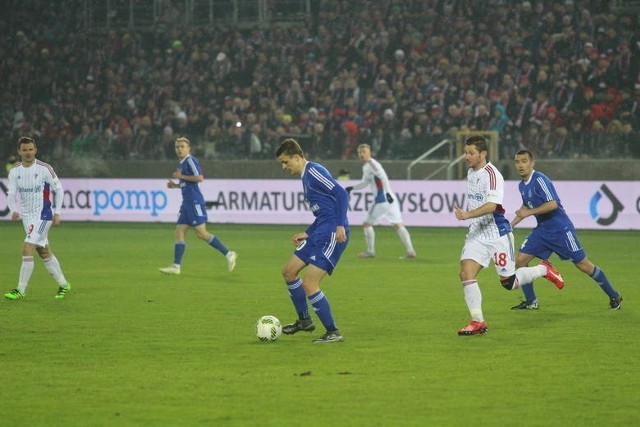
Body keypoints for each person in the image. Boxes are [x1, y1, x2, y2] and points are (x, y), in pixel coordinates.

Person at [453, 136, 564, 335]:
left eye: (471, 153)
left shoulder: (493, 175)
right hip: (477, 234)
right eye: (465, 152)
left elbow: (492, 206)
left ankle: (543, 270)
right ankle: (478, 321)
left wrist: (467, 215)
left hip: (497, 234)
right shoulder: (471, 173)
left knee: (509, 283)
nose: (466, 156)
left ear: (483, 153)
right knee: (465, 274)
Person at [510, 149, 623, 310]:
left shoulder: (540, 180)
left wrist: (528, 212)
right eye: (517, 162)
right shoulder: (522, 185)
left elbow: (552, 204)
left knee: (584, 265)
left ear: (532, 163)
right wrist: (511, 225)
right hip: (542, 231)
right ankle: (531, 301)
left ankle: (614, 295)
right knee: (520, 260)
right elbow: (526, 206)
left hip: (561, 230)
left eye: (524, 161)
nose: (520, 165)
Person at [275, 138, 349, 343]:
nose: (283, 167)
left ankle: (333, 331)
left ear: (297, 158)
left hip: (332, 234)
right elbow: (324, 210)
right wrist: (308, 232)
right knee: (288, 272)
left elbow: (341, 193)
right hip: (320, 232)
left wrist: (341, 224)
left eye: (285, 161)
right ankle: (304, 321)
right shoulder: (305, 176)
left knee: (309, 282)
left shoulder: (313, 171)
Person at [4, 137, 71, 300]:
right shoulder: (14, 171)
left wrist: (58, 213)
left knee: (27, 248)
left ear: (35, 150)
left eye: (30, 149)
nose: (28, 153)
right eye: (24, 150)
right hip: (27, 217)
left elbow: (59, 190)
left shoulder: (44, 169)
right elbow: (11, 195)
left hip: (43, 215)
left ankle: (20, 290)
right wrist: (13, 210)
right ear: (19, 151)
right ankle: (64, 284)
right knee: (43, 251)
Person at [158, 137, 237, 275]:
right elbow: (187, 184)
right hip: (186, 203)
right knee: (179, 232)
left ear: (188, 149)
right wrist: (176, 185)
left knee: (201, 233)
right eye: (177, 147)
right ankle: (176, 266)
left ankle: (229, 254)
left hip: (194, 202)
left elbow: (199, 178)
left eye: (182, 146)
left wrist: (181, 176)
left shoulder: (190, 160)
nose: (180, 149)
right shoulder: (182, 164)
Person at [346, 143, 417, 259]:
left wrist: (382, 192)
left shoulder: (372, 164)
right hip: (390, 199)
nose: (361, 155)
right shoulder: (367, 166)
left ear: (369, 153)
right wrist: (352, 188)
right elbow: (365, 182)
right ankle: (410, 251)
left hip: (382, 199)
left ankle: (370, 251)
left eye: (364, 152)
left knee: (366, 224)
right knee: (398, 225)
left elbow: (381, 176)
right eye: (360, 153)